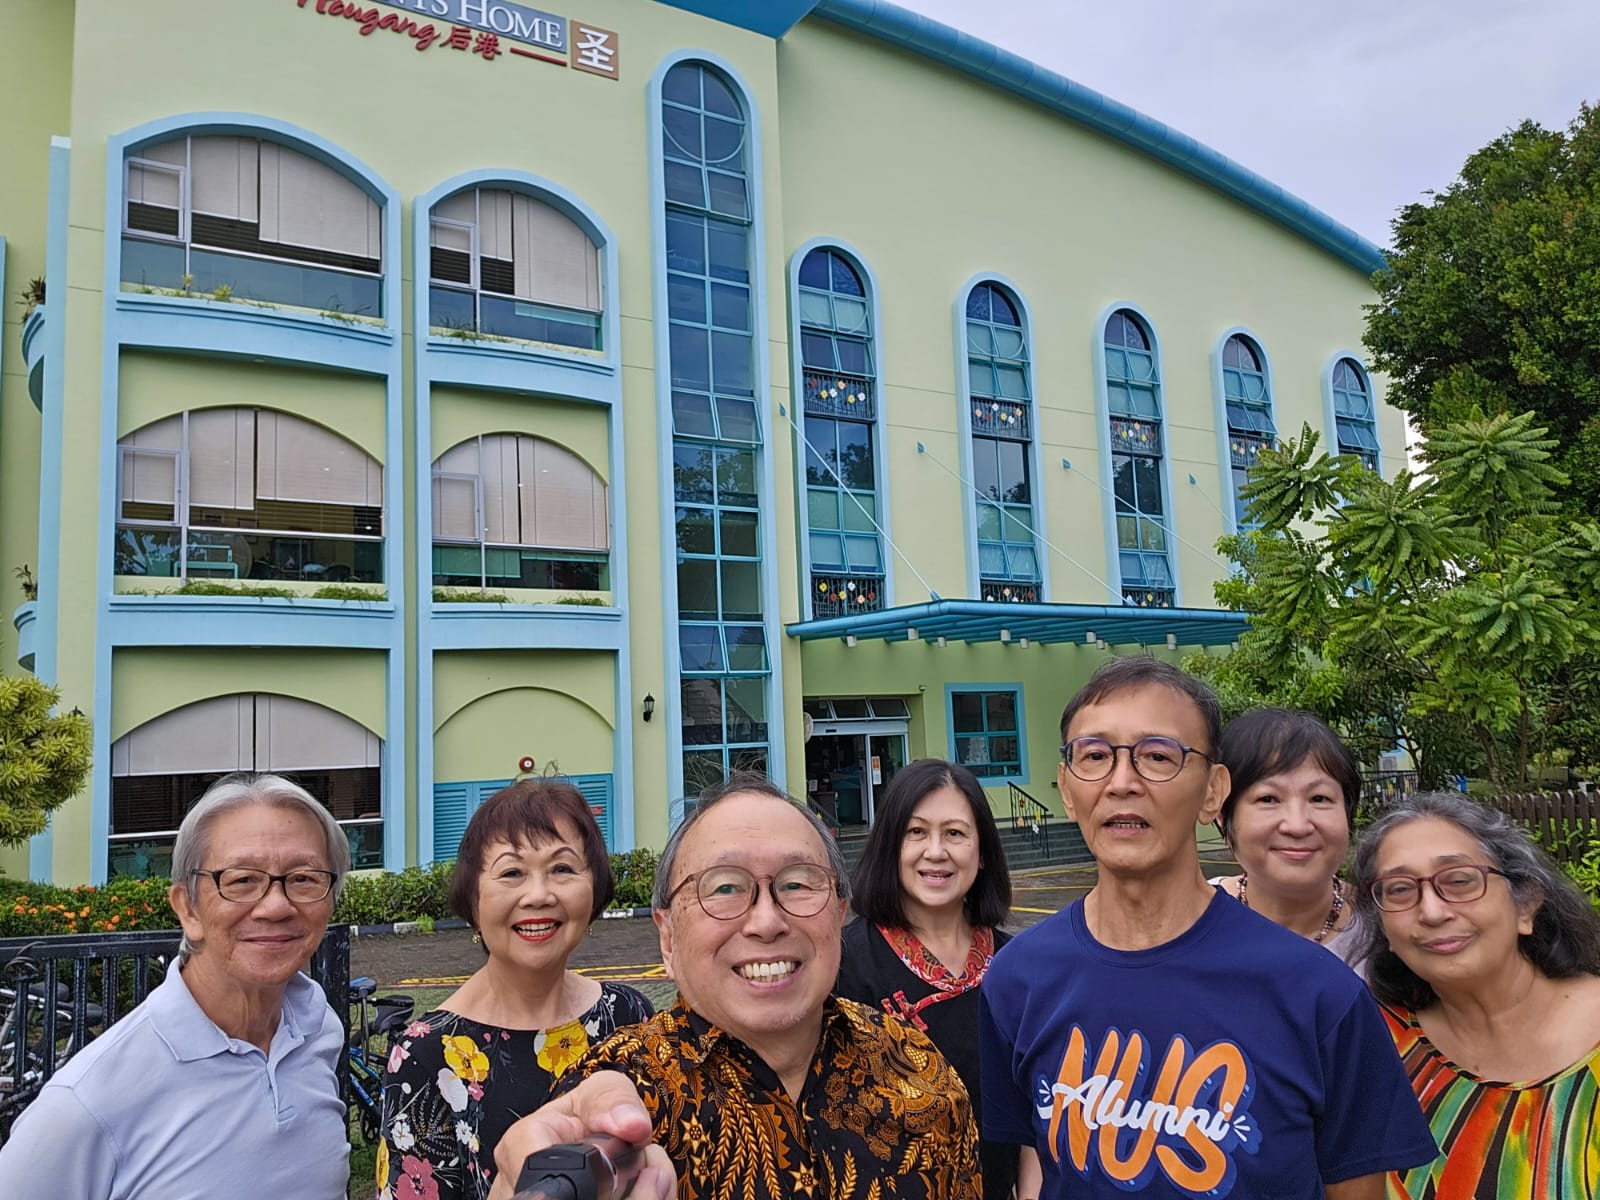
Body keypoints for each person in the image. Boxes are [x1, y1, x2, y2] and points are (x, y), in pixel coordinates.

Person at [980, 657, 1436, 1200]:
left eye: (1157, 756)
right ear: (1066, 787)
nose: (1122, 782)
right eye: (1095, 756)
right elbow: (1037, 1164)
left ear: (1213, 792)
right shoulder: (1017, 978)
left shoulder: (1319, 994)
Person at [486, 773, 981, 1200]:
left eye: (797, 883)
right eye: (724, 888)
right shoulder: (626, 1107)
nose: (766, 922)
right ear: (667, 936)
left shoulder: (919, 1070)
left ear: (839, 913)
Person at [0, 773, 350, 1199]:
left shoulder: (317, 1030)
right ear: (187, 908)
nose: (276, 906)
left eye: (304, 878)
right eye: (242, 880)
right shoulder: (85, 1103)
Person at [379, 778, 653, 1200]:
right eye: (511, 873)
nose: (538, 895)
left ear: (595, 889)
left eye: (562, 869)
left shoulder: (631, 1016)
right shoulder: (425, 1056)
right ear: (472, 898)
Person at [1349, 791, 1600, 1200]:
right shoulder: (1371, 1046)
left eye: (1460, 880)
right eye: (1399, 890)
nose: (1432, 911)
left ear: (1526, 904)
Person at [836, 757, 1016, 1199]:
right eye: (916, 832)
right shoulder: (843, 964)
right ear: (890, 846)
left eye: (955, 833)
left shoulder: (1018, 964)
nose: (935, 851)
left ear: (983, 852)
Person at [1210, 707, 1365, 965]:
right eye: (1268, 799)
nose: (1297, 826)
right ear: (1223, 815)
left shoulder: (1388, 929)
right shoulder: (1183, 921)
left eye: (1319, 798)